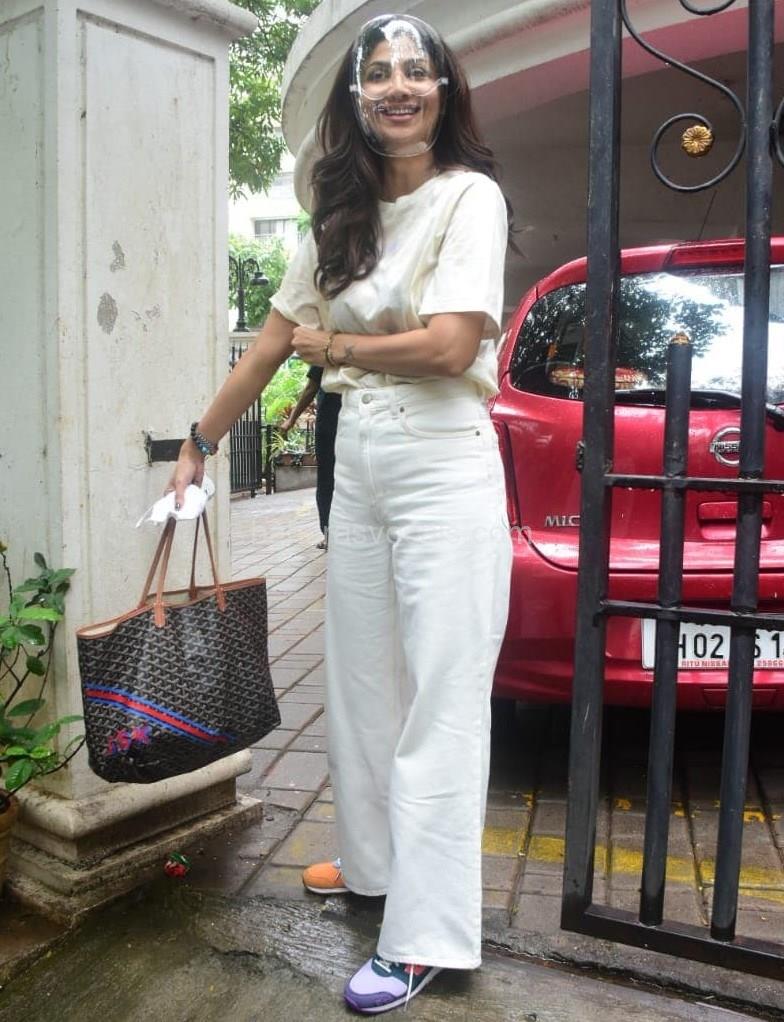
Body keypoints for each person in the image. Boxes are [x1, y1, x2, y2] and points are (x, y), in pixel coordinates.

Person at [169, 14, 513, 1015]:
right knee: (361, 682)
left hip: (442, 455)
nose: (397, 86)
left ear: (443, 92)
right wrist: (198, 437)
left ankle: (426, 934)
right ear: (357, 98)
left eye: (416, 71)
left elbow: (450, 345)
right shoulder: (340, 210)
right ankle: (372, 868)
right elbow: (272, 343)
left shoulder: (470, 197)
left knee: (441, 695)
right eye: (379, 74)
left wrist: (342, 350)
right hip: (358, 456)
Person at [279, 364, 341, 549]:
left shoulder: (328, 351)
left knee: (327, 480)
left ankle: (330, 533)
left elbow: (311, 387)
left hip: (331, 424)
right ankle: (336, 533)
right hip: (352, 422)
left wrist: (291, 420)